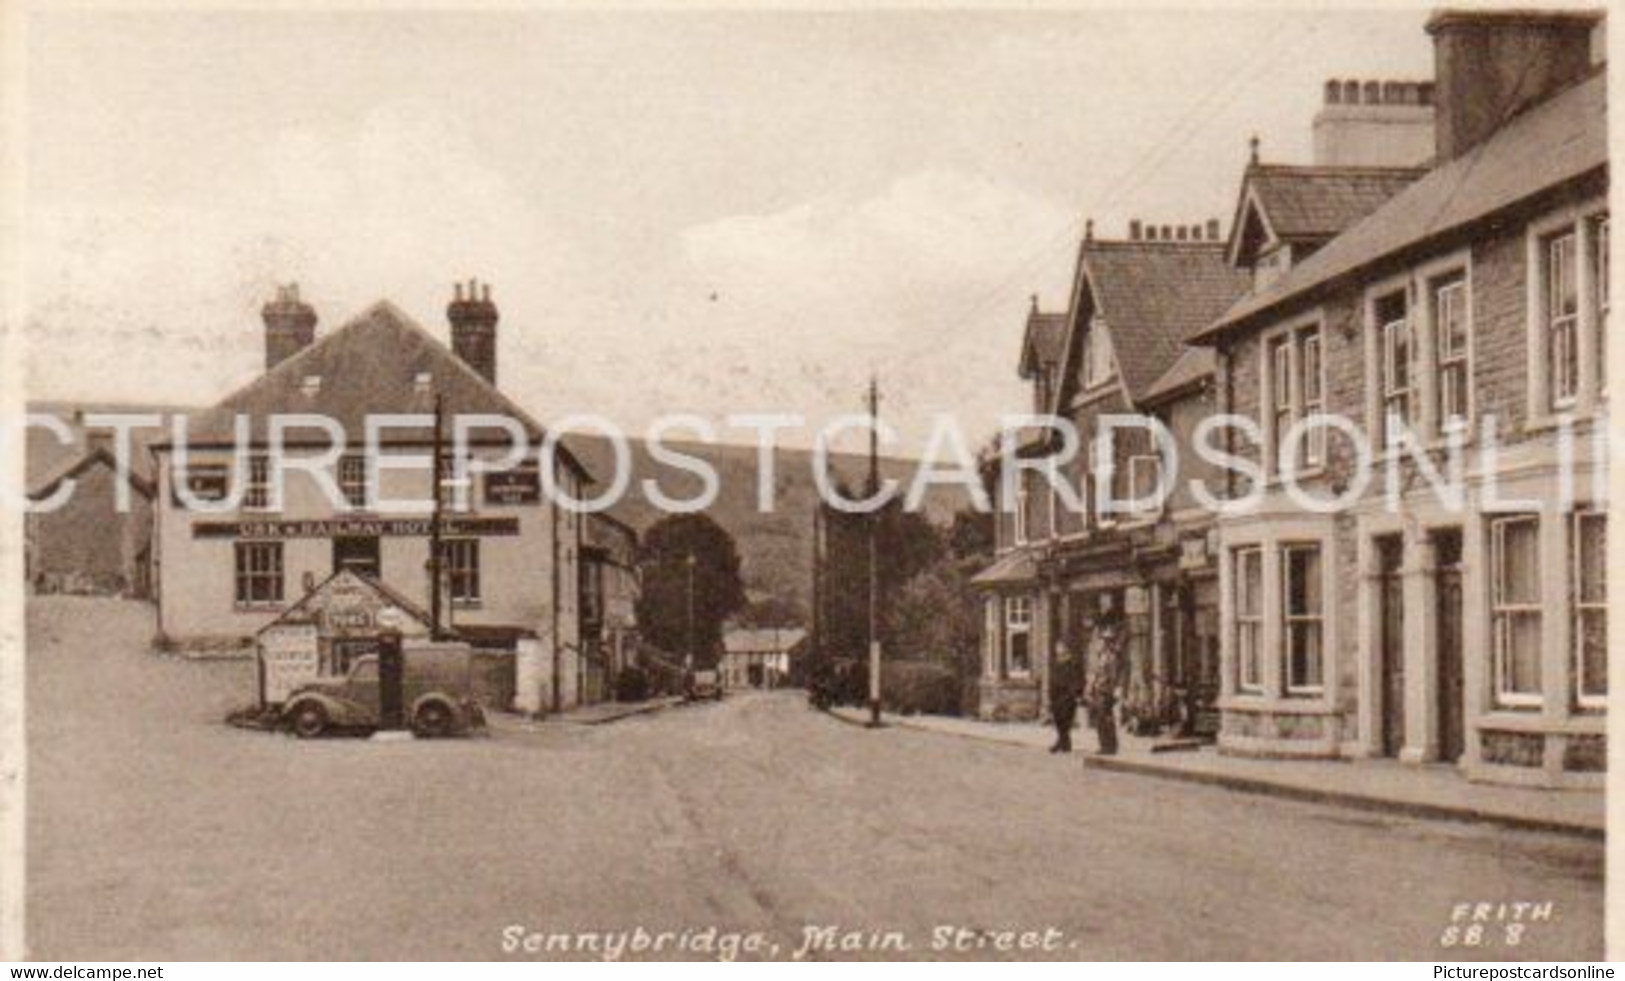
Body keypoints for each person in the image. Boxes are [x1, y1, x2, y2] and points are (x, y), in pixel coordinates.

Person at [1085, 608, 1127, 756]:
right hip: (1099, 689)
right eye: (1101, 640)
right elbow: (1095, 672)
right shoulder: (1101, 656)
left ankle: (1110, 746)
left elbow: (1115, 674)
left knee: (1105, 718)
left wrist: (1117, 689)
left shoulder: (1112, 656)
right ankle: (1105, 745)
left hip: (1107, 690)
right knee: (1101, 719)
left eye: (1103, 640)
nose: (1101, 643)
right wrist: (1090, 687)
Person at [1048, 642, 1081, 753]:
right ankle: (1065, 744)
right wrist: (1050, 696)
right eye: (1057, 649)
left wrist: (1075, 694)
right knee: (1058, 721)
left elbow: (1076, 679)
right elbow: (1053, 680)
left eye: (1060, 648)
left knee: (1065, 721)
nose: (1058, 651)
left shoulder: (1073, 663)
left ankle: (1061, 744)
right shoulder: (1057, 663)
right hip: (1056, 696)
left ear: (1066, 650)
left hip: (1067, 696)